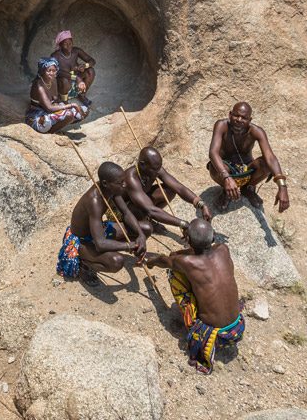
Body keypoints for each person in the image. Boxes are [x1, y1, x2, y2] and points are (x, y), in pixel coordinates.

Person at [145, 219, 245, 375]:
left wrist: (149, 262)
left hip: (213, 335)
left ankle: (191, 323)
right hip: (237, 328)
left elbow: (164, 260)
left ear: (188, 240)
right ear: (213, 238)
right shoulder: (223, 249)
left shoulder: (186, 262)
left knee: (175, 273)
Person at [57, 161, 148, 279]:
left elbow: (126, 213)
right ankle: (84, 263)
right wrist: (128, 245)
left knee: (145, 228)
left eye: (124, 181)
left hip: (99, 231)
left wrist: (140, 235)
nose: (125, 185)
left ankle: (120, 248)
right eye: (120, 183)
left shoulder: (113, 189)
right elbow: (100, 243)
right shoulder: (94, 201)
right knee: (116, 261)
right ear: (105, 183)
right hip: (82, 240)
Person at [207, 102, 290, 212]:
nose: (239, 120)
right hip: (225, 170)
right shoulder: (221, 125)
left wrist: (282, 186)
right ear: (230, 114)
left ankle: (248, 188)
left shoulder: (257, 131)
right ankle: (226, 191)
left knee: (266, 164)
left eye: (244, 118)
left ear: (250, 120)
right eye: (236, 115)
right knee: (214, 165)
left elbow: (270, 157)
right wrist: (226, 177)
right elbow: (213, 152)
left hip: (246, 170)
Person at [124, 146, 212, 232]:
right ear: (142, 165)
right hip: (126, 208)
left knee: (170, 191)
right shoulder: (131, 178)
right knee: (142, 212)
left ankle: (148, 217)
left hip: (143, 201)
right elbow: (151, 210)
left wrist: (201, 205)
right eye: (155, 169)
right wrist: (183, 224)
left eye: (159, 167)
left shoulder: (155, 169)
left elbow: (179, 188)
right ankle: (145, 219)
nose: (158, 171)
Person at [25, 57, 89, 134]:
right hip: (38, 115)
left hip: (51, 110)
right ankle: (50, 133)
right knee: (68, 114)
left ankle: (57, 126)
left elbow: (56, 99)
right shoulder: (39, 85)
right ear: (42, 71)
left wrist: (78, 79)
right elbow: (49, 108)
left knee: (84, 111)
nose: (52, 73)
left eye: (54, 70)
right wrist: (72, 105)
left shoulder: (53, 80)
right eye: (49, 71)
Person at [50, 30, 95, 107]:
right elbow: (56, 72)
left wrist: (85, 66)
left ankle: (82, 95)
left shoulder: (76, 51)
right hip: (64, 83)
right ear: (60, 45)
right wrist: (76, 78)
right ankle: (65, 101)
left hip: (77, 80)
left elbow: (92, 61)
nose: (68, 46)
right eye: (65, 44)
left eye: (70, 43)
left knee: (90, 71)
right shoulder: (55, 56)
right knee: (64, 80)